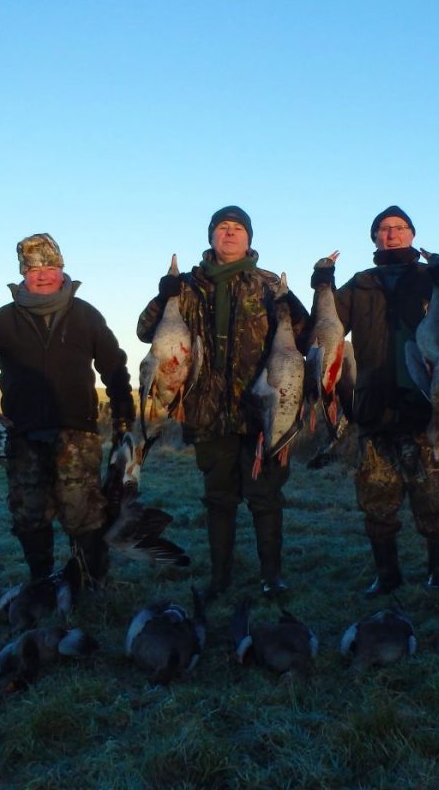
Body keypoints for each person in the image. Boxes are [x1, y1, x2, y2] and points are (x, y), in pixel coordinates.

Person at [136, 206, 309, 601]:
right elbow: (145, 331)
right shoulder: (186, 286)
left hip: (262, 413)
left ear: (249, 238)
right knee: (219, 499)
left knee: (266, 496)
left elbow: (304, 335)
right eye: (223, 228)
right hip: (208, 413)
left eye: (238, 228)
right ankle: (220, 578)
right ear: (212, 235)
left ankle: (272, 577)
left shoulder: (270, 285)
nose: (230, 234)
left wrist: (295, 307)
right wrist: (163, 296)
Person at [311, 205, 439, 597]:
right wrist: (322, 287)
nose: (391, 234)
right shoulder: (361, 284)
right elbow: (325, 330)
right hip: (374, 408)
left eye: (399, 227)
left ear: (412, 234)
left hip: (428, 409)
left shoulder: (431, 277)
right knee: (376, 500)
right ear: (375, 238)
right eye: (383, 228)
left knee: (435, 499)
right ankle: (387, 575)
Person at [0, 233, 135, 590]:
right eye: (34, 270)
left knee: (83, 511)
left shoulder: (85, 315)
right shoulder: (1, 321)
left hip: (76, 432)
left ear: (62, 269)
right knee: (29, 512)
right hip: (23, 432)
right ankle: (42, 583)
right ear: (23, 274)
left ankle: (92, 582)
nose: (43, 276)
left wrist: (123, 413)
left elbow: (113, 366)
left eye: (50, 267)